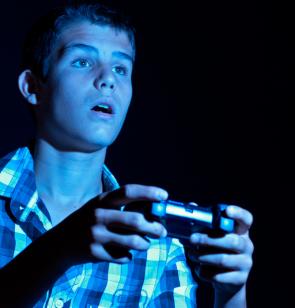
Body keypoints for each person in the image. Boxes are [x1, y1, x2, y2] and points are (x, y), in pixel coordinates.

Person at [0, 2, 254, 307]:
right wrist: (59, 249)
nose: (108, 79)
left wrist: (231, 295)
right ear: (32, 86)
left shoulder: (157, 246)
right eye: (82, 62)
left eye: (121, 68)